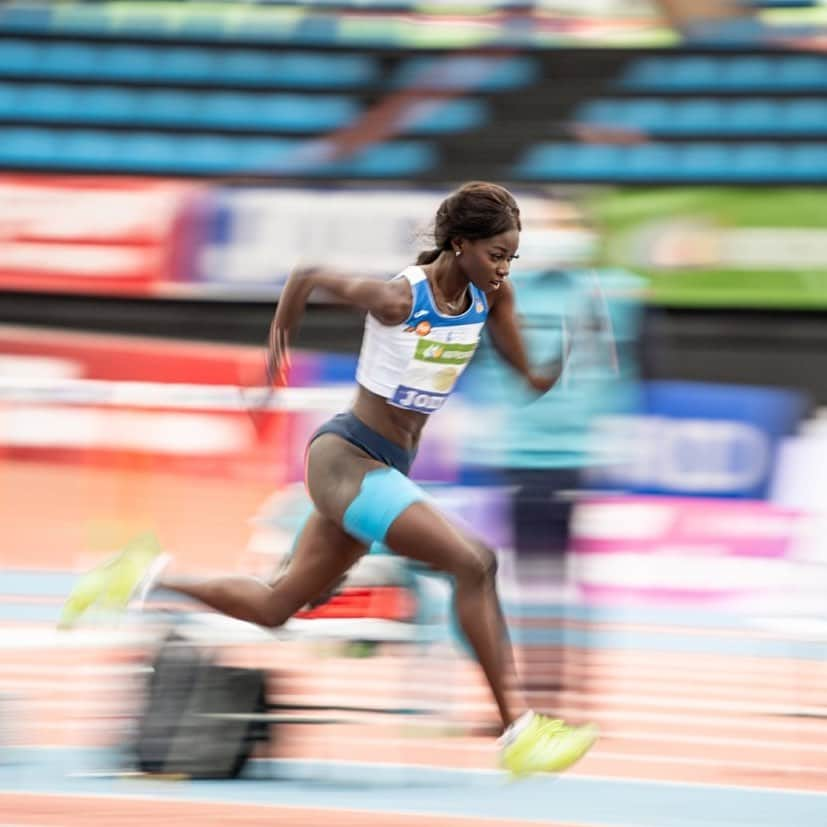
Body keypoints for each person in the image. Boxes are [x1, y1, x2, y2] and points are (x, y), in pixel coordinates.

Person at [59, 181, 598, 776]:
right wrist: (276, 351)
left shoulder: (493, 300)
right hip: (346, 460)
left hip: (382, 469)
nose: (503, 269)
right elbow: (308, 273)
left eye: (510, 258)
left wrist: (574, 348)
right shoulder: (398, 298)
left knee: (276, 605)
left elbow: (531, 379)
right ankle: (518, 732)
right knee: (475, 563)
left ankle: (142, 573)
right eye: (496, 254)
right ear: (460, 244)